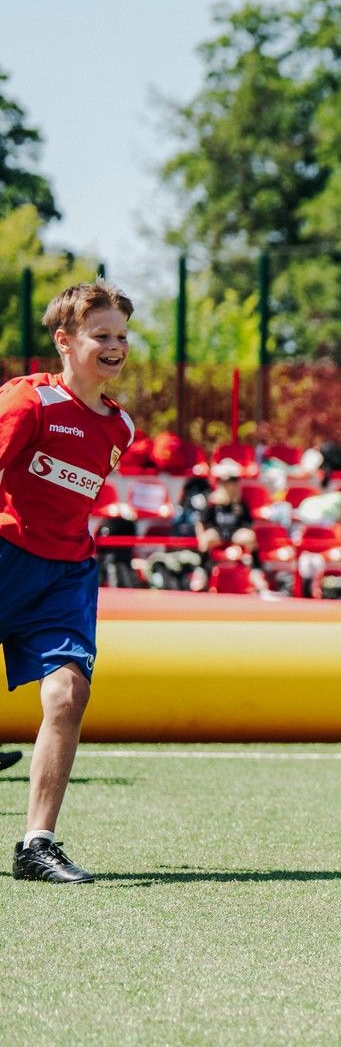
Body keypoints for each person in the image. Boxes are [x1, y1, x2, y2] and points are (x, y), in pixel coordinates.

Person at [0, 281, 138, 884]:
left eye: (122, 336)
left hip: (65, 577)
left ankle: (37, 844)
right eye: (101, 335)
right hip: (5, 555)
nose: (115, 346)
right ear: (64, 341)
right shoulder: (25, 403)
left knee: (68, 696)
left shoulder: (122, 429)